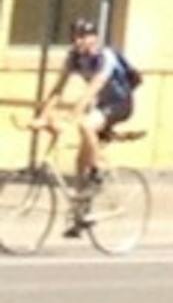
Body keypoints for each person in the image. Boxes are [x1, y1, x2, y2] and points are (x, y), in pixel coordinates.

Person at [29, 19, 139, 191]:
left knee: (86, 125)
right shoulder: (74, 57)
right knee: (81, 161)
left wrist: (69, 118)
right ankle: (81, 203)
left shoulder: (105, 57)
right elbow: (58, 89)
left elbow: (92, 90)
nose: (77, 41)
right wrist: (41, 117)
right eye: (74, 37)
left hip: (121, 104)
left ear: (94, 38)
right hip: (102, 105)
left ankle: (98, 168)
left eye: (82, 37)